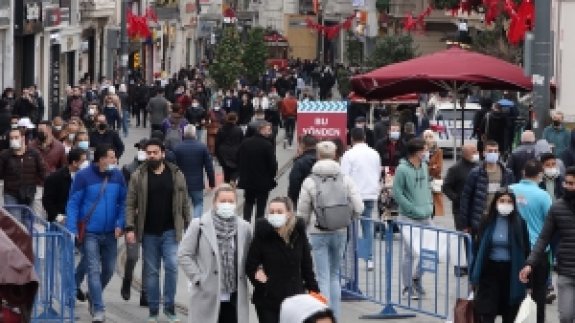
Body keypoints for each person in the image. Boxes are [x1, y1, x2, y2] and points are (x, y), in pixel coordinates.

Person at [125, 138, 190, 322]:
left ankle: (169, 307)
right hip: (148, 233)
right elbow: (130, 203)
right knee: (151, 272)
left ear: (163, 153)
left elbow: (185, 201)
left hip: (170, 231)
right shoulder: (138, 175)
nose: (151, 155)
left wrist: (189, 224)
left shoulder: (176, 174)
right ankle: (153, 310)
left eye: (155, 152)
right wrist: (130, 227)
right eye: (148, 153)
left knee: (172, 267)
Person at [297, 141, 363, 319]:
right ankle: (336, 317)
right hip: (340, 231)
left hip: (318, 232)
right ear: (335, 156)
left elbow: (302, 212)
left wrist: (303, 229)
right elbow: (359, 207)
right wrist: (348, 219)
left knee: (322, 277)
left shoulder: (310, 181)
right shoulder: (345, 179)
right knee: (335, 275)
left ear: (317, 156)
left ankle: (323, 318)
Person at [65, 144, 127, 323]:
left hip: (110, 233)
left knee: (108, 269)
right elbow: (73, 203)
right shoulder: (83, 177)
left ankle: (93, 294)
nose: (114, 160)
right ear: (101, 159)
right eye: (111, 157)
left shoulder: (117, 176)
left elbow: (123, 202)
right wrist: (72, 228)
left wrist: (120, 223)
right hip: (90, 232)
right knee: (93, 269)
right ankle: (99, 309)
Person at [178, 185, 253, 323]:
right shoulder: (199, 225)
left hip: (234, 297)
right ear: (214, 203)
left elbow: (251, 258)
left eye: (231, 202)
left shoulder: (245, 228)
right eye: (223, 201)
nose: (227, 205)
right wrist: (198, 278)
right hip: (206, 294)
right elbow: (184, 254)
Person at [246, 197, 320, 323]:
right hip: (267, 300)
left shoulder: (298, 234)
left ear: (289, 214)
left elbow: (307, 267)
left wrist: (314, 292)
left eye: (279, 212)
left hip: (295, 298)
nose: (275, 215)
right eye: (272, 212)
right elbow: (250, 265)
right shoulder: (262, 235)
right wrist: (258, 277)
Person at [519, 166, 575, 323]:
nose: (569, 187)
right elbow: (543, 238)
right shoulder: (557, 208)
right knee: (566, 316)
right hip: (566, 271)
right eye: (567, 183)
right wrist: (530, 263)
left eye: (573, 184)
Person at [470, 188, 530, 323]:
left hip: (511, 272)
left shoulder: (520, 222)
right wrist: (473, 275)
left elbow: (526, 249)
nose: (505, 204)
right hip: (489, 270)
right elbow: (478, 247)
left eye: (509, 201)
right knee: (487, 312)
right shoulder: (487, 220)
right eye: (502, 200)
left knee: (509, 313)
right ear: (495, 202)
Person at [509, 160, 552, 323]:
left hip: (515, 247)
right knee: (539, 292)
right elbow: (550, 221)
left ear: (523, 173)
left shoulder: (511, 190)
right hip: (538, 250)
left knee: (515, 289)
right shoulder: (543, 196)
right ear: (540, 175)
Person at [392, 138, 434, 299]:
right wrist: (410, 207)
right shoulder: (402, 169)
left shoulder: (424, 166)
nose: (426, 152)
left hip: (425, 214)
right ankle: (407, 286)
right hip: (408, 217)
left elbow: (426, 187)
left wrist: (429, 204)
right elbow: (397, 193)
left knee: (431, 251)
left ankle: (417, 277)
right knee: (410, 253)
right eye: (424, 149)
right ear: (417, 152)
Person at [460, 140, 515, 245]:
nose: (493, 154)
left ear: (499, 153)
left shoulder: (507, 173)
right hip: (480, 219)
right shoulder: (475, 173)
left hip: (500, 216)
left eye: (495, 151)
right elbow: (466, 198)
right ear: (484, 153)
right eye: (490, 151)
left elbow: (512, 196)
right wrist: (465, 224)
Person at [341, 128, 381, 270]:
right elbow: (378, 172)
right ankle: (369, 258)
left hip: (354, 195)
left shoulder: (349, 154)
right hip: (370, 193)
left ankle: (350, 257)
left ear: (352, 139)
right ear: (365, 137)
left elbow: (344, 176)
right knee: (367, 225)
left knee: (351, 227)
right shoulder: (374, 153)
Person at [119, 138, 149, 305]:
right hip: (133, 220)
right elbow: (123, 196)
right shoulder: (127, 170)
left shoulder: (158, 169)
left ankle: (145, 292)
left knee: (149, 259)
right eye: (142, 148)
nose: (144, 151)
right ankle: (127, 279)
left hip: (151, 220)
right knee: (132, 256)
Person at [442, 143, 478, 275]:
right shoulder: (455, 169)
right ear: (465, 153)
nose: (476, 153)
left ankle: (472, 264)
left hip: (475, 207)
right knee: (463, 235)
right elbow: (446, 187)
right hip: (460, 210)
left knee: (474, 237)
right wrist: (457, 199)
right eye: (473, 151)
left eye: (476, 151)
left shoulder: (478, 166)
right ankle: (461, 265)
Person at [238, 121, 278, 222]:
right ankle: (258, 229)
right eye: (268, 130)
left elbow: (238, 158)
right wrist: (271, 176)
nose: (270, 132)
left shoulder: (245, 143)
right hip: (263, 182)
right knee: (261, 207)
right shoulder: (267, 145)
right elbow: (273, 164)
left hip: (248, 180)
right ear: (261, 130)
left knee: (248, 203)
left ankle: (246, 224)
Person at [0, 128, 46, 209]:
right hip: (11, 193)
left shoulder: (34, 153)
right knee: (15, 220)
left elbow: (43, 171)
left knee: (28, 221)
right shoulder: (5, 155)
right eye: (11, 138)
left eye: (16, 137)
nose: (13, 140)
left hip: (28, 194)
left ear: (23, 138)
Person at [42, 148, 88, 222]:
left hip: (79, 219)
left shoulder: (86, 177)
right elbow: (47, 200)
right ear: (74, 162)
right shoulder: (55, 178)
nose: (86, 163)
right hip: (60, 221)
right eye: (83, 161)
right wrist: (58, 216)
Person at [288, 134, 318, 207]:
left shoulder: (300, 162)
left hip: (302, 198)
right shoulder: (321, 159)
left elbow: (294, 181)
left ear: (303, 145)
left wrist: (292, 200)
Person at [215, 112, 243, 184]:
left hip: (223, 153)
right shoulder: (238, 130)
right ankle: (232, 183)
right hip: (235, 153)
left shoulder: (221, 129)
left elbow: (217, 142)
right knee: (235, 170)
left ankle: (227, 184)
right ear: (236, 119)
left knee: (226, 171)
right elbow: (242, 142)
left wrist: (217, 154)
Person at [423, 129, 444, 216]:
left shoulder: (438, 151)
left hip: (435, 180)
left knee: (434, 205)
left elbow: (438, 168)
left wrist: (427, 168)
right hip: (423, 180)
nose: (428, 139)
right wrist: (432, 167)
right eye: (426, 137)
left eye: (430, 136)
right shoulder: (421, 150)